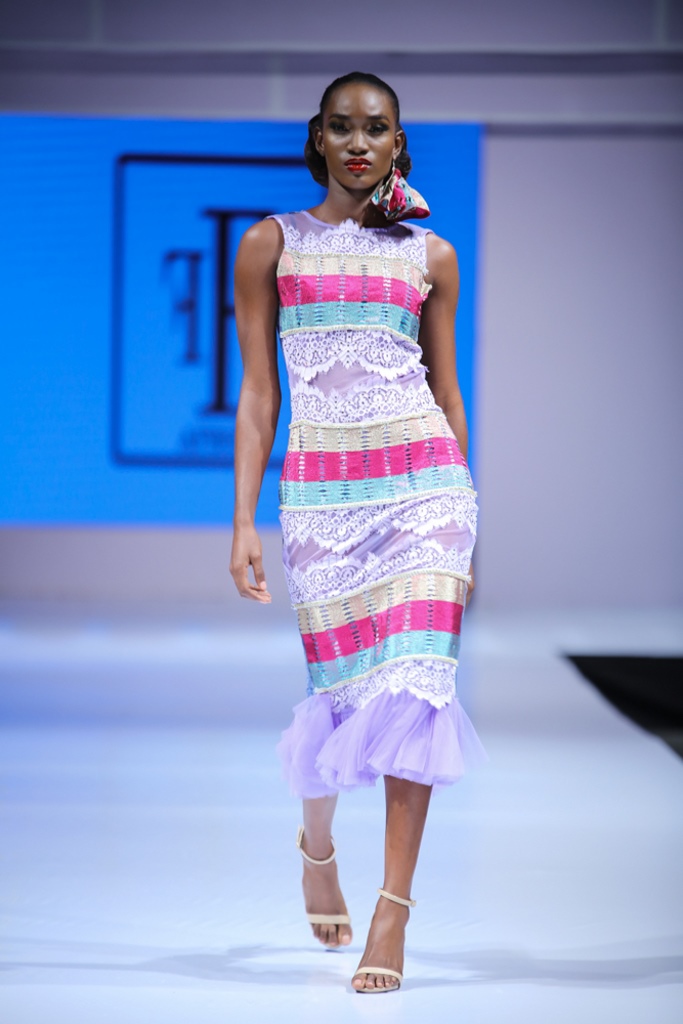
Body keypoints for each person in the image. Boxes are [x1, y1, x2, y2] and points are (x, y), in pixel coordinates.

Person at [230, 71, 486, 994]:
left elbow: (447, 391)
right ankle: (316, 846)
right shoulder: (270, 243)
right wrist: (242, 520)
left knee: (417, 686)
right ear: (318, 138)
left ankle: (393, 908)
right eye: (340, 127)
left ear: (397, 144)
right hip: (325, 500)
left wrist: (463, 512)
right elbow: (259, 394)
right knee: (339, 697)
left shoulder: (431, 255)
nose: (357, 143)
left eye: (375, 128)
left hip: (426, 490)